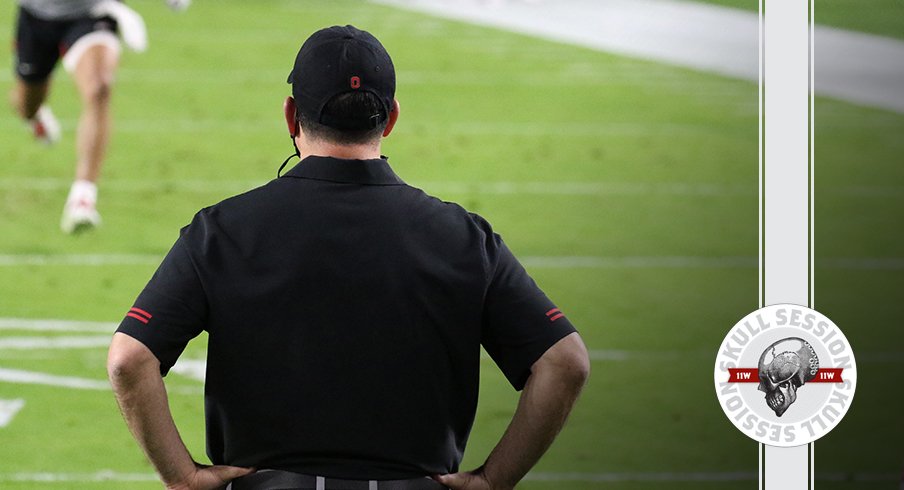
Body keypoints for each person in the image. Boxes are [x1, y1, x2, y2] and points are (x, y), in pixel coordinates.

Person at [107, 25, 590, 490]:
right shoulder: (465, 239)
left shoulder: (222, 231)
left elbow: (130, 359)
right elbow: (564, 362)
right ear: (392, 117)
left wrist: (182, 477)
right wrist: (494, 478)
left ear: (291, 116)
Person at [10, 0, 190, 234]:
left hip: (92, 12)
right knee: (26, 105)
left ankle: (83, 198)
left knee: (99, 88)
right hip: (36, 14)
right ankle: (35, 117)